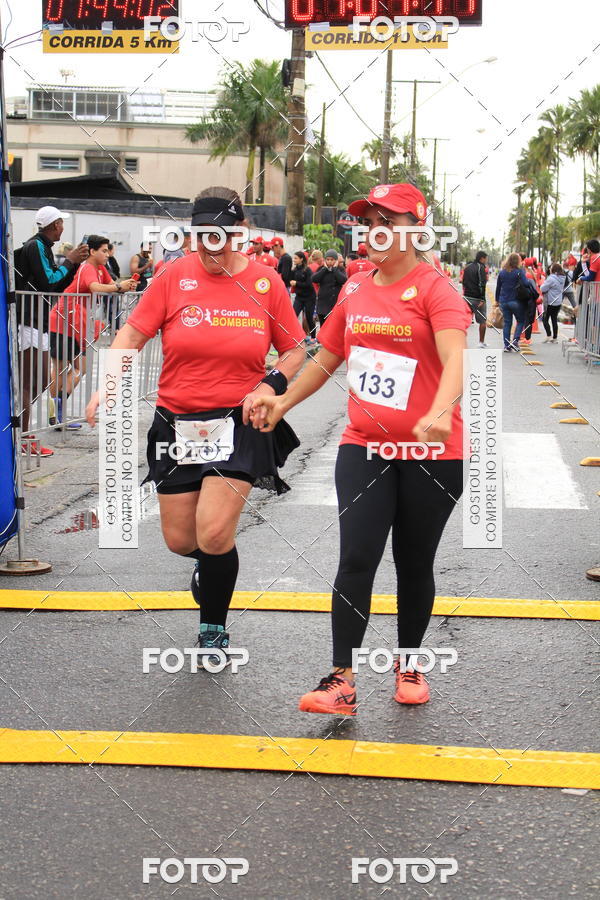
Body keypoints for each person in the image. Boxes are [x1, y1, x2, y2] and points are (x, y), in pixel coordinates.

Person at [250, 183, 470, 715]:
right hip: (364, 447)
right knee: (356, 558)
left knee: (414, 563)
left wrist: (440, 410)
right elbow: (326, 358)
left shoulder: (436, 289)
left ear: (416, 229)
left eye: (385, 220)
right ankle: (341, 680)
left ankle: (410, 663)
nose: (371, 229)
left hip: (431, 454)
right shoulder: (353, 291)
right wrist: (283, 402)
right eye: (367, 219)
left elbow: (455, 357)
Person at [86, 187, 305, 660]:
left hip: (240, 421)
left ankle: (212, 628)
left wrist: (271, 384)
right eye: (204, 234)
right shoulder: (172, 276)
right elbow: (133, 333)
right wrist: (107, 385)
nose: (212, 244)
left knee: (213, 532)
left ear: (240, 233)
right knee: (181, 539)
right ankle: (211, 566)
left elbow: (295, 349)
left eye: (223, 235)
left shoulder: (266, 283)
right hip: (177, 423)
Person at [14, 206, 88, 456]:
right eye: (61, 223)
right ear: (55, 224)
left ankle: (21, 431)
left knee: (40, 381)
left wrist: (73, 264)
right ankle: (21, 436)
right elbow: (49, 281)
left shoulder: (41, 246)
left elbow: (57, 284)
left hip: (37, 320)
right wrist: (71, 261)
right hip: (29, 320)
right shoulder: (36, 246)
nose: (63, 227)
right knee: (29, 382)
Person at [49, 235, 136, 425]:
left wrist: (126, 285)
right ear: (92, 251)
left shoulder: (100, 268)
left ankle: (58, 410)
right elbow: (95, 287)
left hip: (77, 323)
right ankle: (56, 413)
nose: (107, 254)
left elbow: (112, 286)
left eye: (107, 251)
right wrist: (119, 286)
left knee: (79, 367)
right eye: (104, 251)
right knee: (64, 367)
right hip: (64, 319)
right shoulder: (88, 267)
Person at [496, 253, 536, 352]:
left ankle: (506, 345)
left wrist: (497, 300)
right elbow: (526, 284)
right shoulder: (519, 272)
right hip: (516, 301)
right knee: (521, 321)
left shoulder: (502, 272)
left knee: (507, 323)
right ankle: (515, 341)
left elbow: (498, 288)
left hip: (504, 301)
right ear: (517, 261)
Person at [311, 249, 347, 330]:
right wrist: (324, 269)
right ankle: (323, 342)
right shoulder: (321, 269)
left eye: (332, 260)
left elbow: (343, 280)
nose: (330, 262)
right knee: (323, 326)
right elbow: (314, 279)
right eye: (328, 259)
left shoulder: (340, 269)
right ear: (325, 260)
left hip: (335, 302)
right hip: (323, 303)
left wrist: (334, 269)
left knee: (333, 327)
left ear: (336, 260)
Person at [462, 251, 489, 348]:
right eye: (486, 258)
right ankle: (481, 342)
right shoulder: (480, 267)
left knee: (463, 321)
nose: (486, 260)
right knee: (482, 321)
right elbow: (482, 283)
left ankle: (461, 341)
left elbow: (463, 282)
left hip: (466, 298)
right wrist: (482, 298)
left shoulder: (467, 267)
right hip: (477, 298)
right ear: (482, 258)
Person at [290, 251, 317, 345]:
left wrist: (296, 283)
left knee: (309, 318)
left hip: (309, 297)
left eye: (296, 258)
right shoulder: (294, 270)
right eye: (294, 258)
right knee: (293, 316)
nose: (294, 260)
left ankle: (313, 337)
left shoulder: (307, 270)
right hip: (299, 297)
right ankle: (294, 336)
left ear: (301, 259)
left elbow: (309, 285)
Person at [541, 263, 571, 343]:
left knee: (545, 319)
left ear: (553, 270)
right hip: (558, 302)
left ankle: (549, 335)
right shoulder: (563, 278)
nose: (550, 269)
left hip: (550, 302)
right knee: (554, 319)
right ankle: (555, 338)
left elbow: (543, 288)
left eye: (551, 268)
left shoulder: (551, 278)